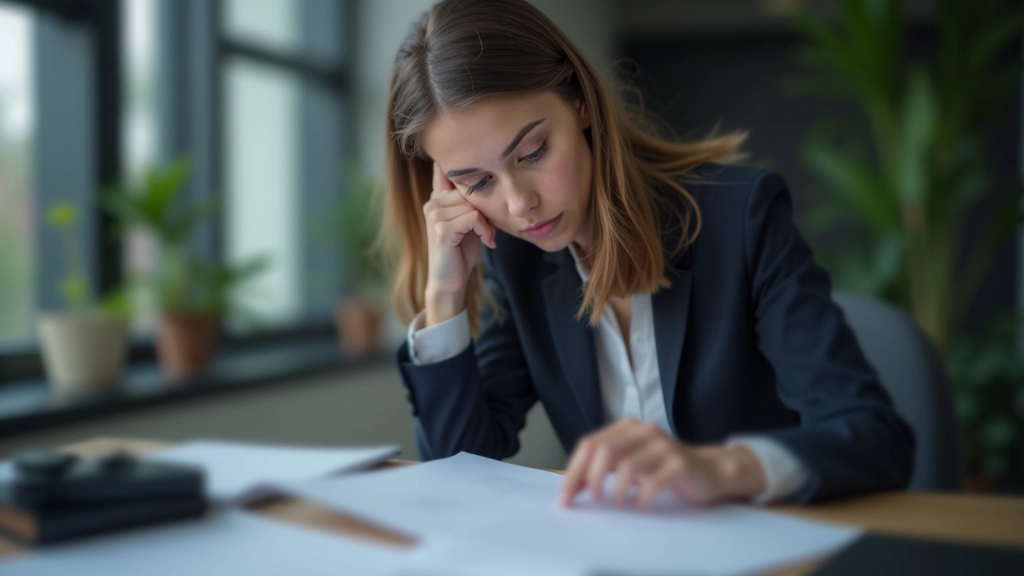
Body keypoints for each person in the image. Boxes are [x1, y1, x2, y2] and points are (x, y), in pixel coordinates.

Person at [381, 0, 914, 508]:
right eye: (476, 182)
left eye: (533, 151)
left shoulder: (741, 218)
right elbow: (459, 463)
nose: (519, 204)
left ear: (580, 101)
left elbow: (872, 437)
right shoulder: (513, 259)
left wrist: (721, 470)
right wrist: (445, 295)